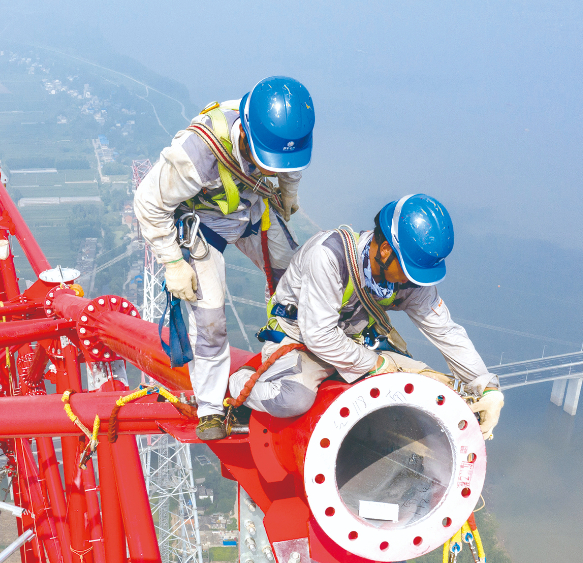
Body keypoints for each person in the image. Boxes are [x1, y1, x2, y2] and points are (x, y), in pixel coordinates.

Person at [228, 194, 505, 439]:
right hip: (301, 340)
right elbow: (319, 336)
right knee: (291, 400)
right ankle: (241, 381)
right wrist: (375, 363)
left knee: (429, 390)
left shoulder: (408, 279)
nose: (413, 283)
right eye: (409, 272)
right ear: (385, 251)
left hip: (355, 342)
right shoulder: (328, 256)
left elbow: (446, 331)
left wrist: (486, 387)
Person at [134, 76, 315, 440]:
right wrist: (173, 261)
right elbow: (148, 203)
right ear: (246, 136)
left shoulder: (283, 135)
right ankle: (212, 408)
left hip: (250, 210)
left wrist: (286, 191)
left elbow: (290, 165)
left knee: (297, 278)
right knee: (211, 318)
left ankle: (293, 356)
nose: (273, 167)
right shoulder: (196, 153)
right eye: (268, 161)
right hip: (206, 224)